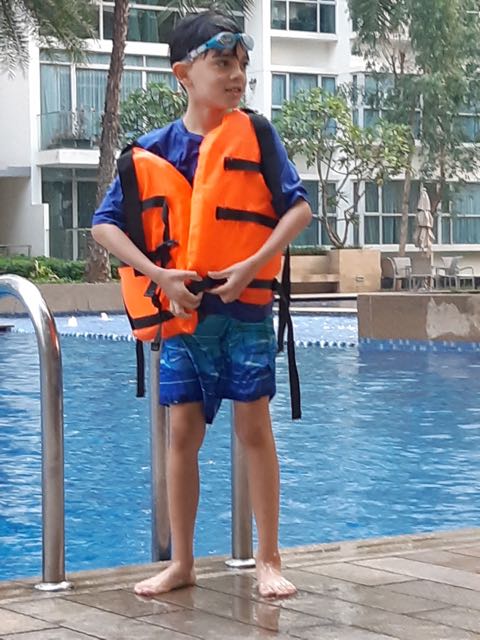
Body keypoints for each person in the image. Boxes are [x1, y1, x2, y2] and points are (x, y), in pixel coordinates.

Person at [91, 10, 312, 599]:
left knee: (254, 426)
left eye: (242, 64)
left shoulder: (258, 136)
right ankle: (182, 563)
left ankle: (268, 559)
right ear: (184, 74)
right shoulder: (151, 151)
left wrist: (251, 265)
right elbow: (104, 226)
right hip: (182, 316)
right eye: (223, 63)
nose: (237, 75)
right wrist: (159, 275)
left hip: (245, 311)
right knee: (182, 433)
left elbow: (299, 209)